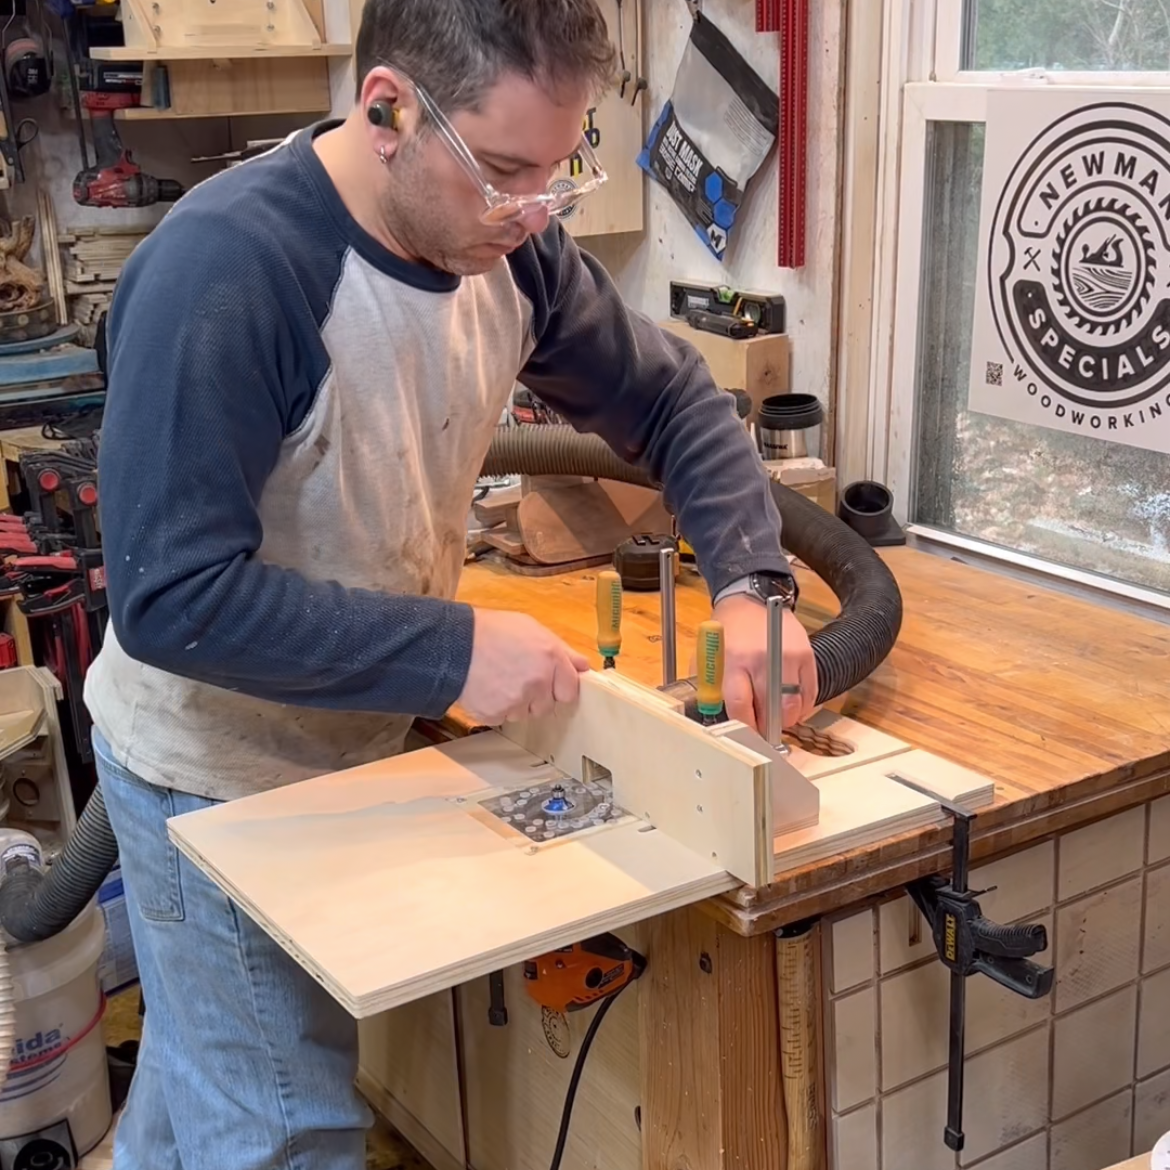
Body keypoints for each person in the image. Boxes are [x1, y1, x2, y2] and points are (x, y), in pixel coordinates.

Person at [82, 0, 819, 1165]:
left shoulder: (512, 252)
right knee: (283, 1129)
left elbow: (677, 402)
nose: (532, 210)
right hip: (211, 774)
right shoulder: (230, 270)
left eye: (558, 172)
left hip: (349, 743)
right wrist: (456, 651)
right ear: (387, 110)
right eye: (503, 171)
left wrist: (751, 592)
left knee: (203, 1082)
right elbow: (172, 596)